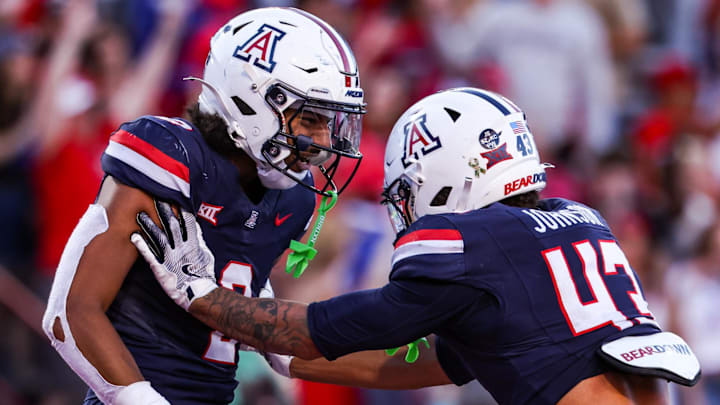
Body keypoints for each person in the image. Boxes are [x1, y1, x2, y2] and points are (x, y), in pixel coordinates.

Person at [134, 87, 701, 405]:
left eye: (407, 189)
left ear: (452, 171)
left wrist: (203, 297)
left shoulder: (469, 244)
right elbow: (429, 365)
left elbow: (317, 329)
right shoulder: (581, 221)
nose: (404, 207)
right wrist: (283, 354)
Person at [41, 7, 366, 405]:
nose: (321, 139)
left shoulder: (293, 199)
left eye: (328, 122)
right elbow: (69, 314)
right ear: (254, 101)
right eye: (311, 119)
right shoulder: (172, 158)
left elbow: (275, 336)